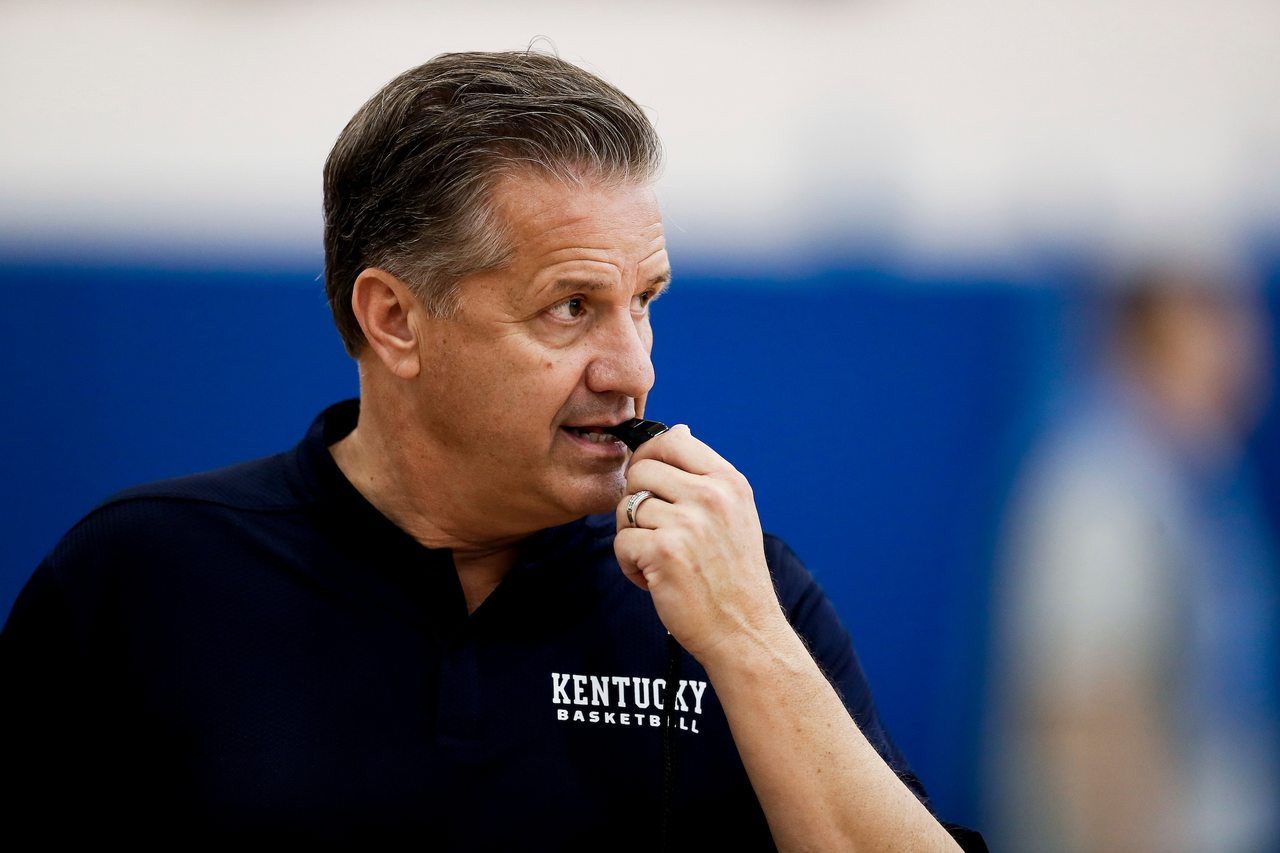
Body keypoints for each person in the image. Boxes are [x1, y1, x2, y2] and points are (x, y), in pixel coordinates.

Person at [1, 51, 980, 851]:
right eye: (571, 308)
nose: (631, 369)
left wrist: (750, 642)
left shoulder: (739, 590)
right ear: (394, 320)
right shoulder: (140, 577)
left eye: (644, 302)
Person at [985, 268, 1280, 853]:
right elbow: (1086, 720)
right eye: (1225, 311)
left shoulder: (1187, 474)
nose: (1253, 337)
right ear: (1163, 322)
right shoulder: (1101, 486)